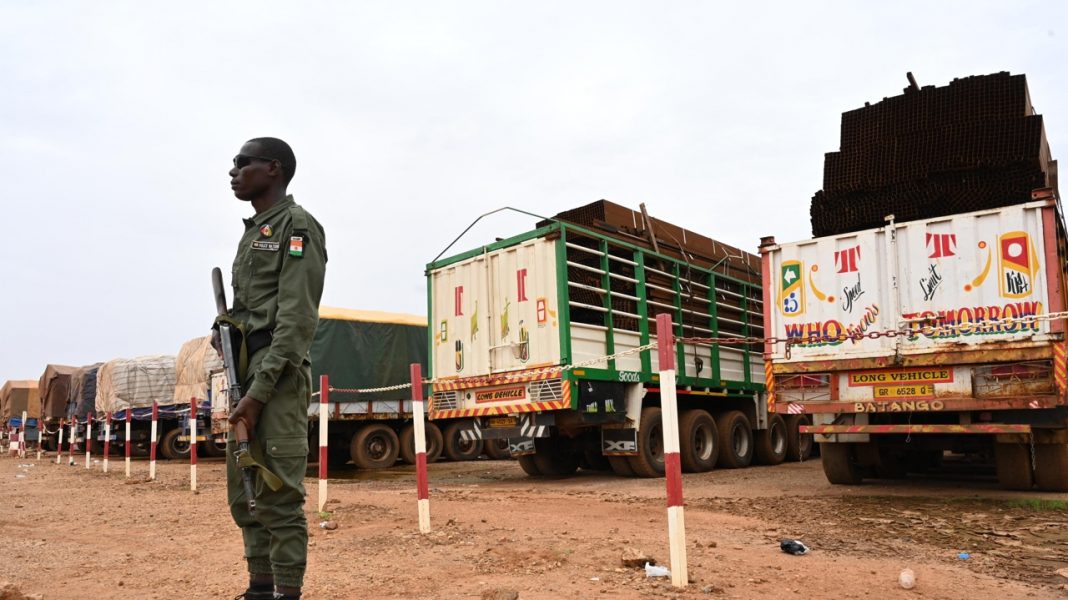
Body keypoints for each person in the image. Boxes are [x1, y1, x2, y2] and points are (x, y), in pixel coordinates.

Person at [222, 137, 327, 600]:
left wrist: (259, 392)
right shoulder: (253, 232)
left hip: (276, 376)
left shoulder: (297, 226)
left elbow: (297, 319)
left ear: (273, 168)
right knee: (245, 488)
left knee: (279, 494)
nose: (233, 172)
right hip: (245, 373)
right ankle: (259, 589)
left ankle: (287, 592)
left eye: (242, 163)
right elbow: (252, 308)